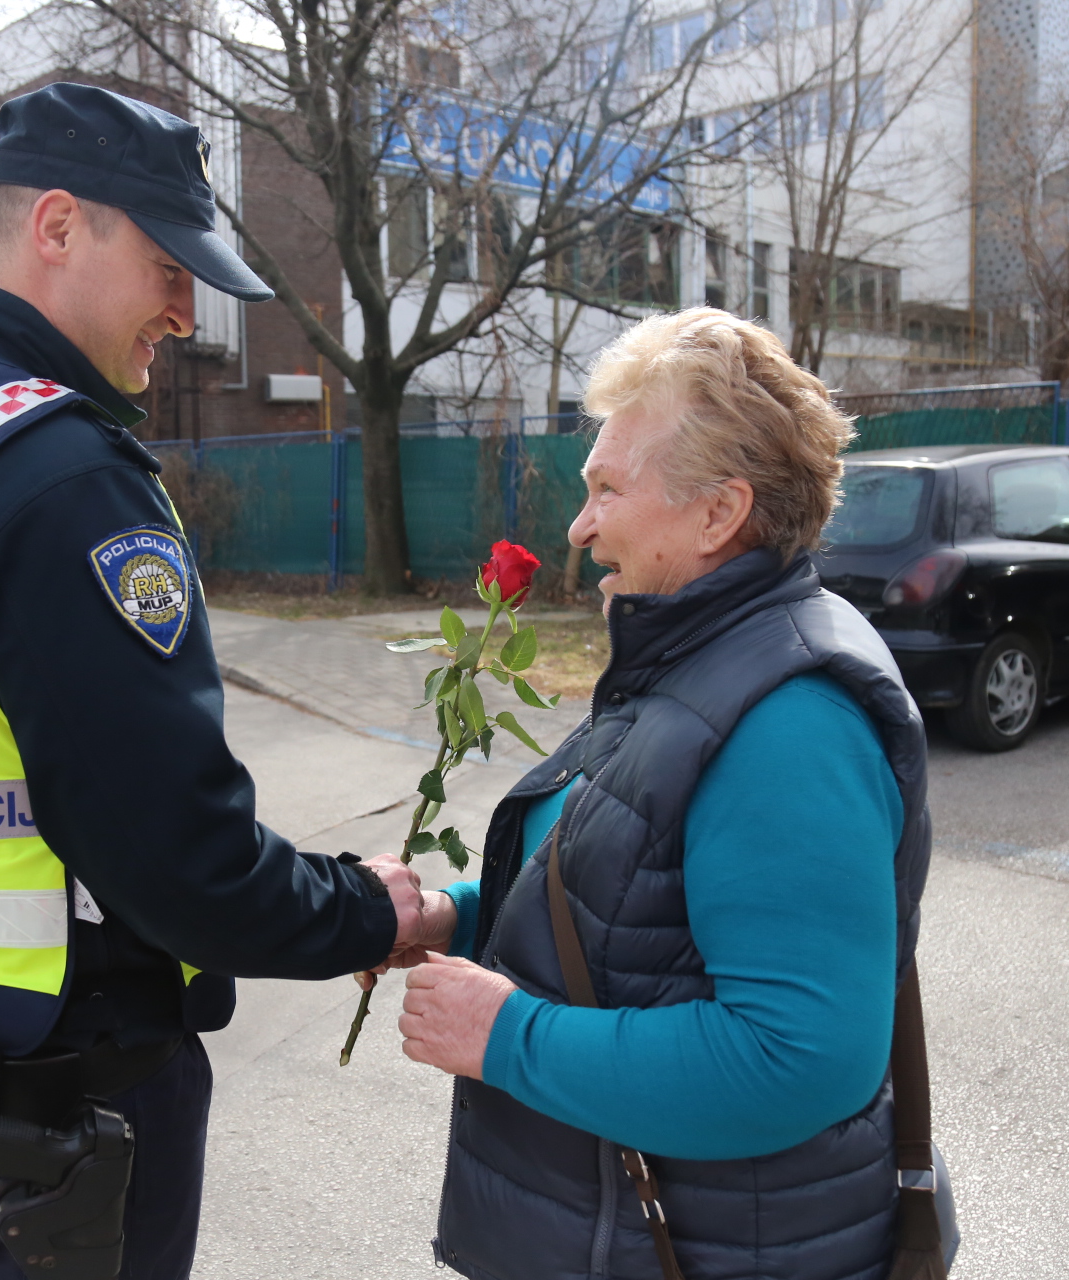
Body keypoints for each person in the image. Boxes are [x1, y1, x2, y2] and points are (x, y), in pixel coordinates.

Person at [0, 83, 425, 1280]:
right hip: (64, 1066)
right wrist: (374, 909)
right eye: (168, 264)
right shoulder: (61, 481)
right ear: (57, 226)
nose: (185, 312)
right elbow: (181, 864)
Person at [383, 309, 934, 1279]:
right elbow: (624, 904)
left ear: (719, 512)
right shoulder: (697, 658)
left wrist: (509, 1034)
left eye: (606, 488)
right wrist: (448, 919)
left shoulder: (790, 719)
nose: (579, 523)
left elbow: (800, 1057)